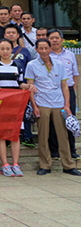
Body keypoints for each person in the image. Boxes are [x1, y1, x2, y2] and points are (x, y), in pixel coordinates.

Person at [26, 39, 81, 176]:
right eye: (41, 48)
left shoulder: (59, 64)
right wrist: (34, 106)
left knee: (63, 135)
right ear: (36, 50)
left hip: (58, 103)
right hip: (42, 103)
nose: (44, 51)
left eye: (46, 48)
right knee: (43, 135)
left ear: (50, 48)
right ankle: (45, 165)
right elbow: (30, 87)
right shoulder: (31, 65)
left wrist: (67, 105)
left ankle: (68, 165)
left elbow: (64, 85)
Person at [0, 39, 35, 177]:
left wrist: (28, 86)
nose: (5, 51)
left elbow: (20, 83)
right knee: (1, 135)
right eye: (2, 48)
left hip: (14, 105)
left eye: (7, 48)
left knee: (15, 134)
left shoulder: (17, 66)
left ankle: (15, 164)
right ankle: (5, 164)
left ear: (12, 50)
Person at [48, 29, 80, 160]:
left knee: (69, 119)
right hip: (52, 92)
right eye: (52, 38)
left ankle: (72, 149)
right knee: (53, 121)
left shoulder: (70, 55)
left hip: (68, 91)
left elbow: (75, 74)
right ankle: (54, 151)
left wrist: (73, 90)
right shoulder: (45, 55)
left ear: (62, 40)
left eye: (57, 38)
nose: (54, 40)